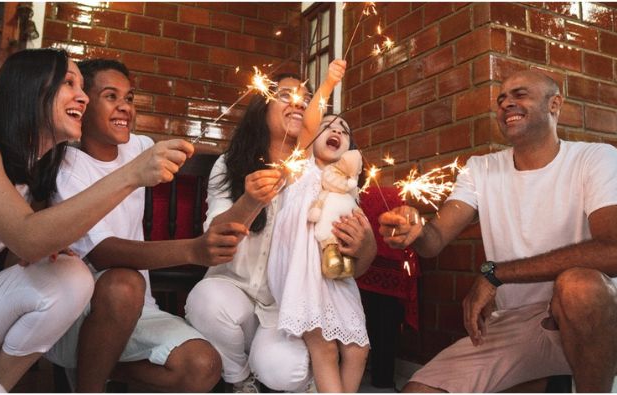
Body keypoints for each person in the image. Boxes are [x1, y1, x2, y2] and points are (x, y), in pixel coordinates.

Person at [0, 48, 193, 392]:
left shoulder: (37, 166)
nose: (82, 97)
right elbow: (27, 238)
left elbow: (20, 252)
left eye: (83, 87)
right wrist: (132, 174)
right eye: (69, 83)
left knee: (70, 275)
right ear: (31, 88)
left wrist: (46, 246)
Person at [378, 70, 617, 393]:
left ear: (554, 104)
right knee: (418, 391)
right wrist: (416, 231)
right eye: (501, 99)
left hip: (592, 320)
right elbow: (434, 240)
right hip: (516, 325)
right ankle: (546, 381)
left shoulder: (595, 158)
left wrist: (495, 274)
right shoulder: (481, 169)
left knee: (578, 286)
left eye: (520, 94)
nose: (507, 104)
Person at [44, 58, 247, 392]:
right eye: (111, 96)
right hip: (77, 312)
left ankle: (94, 365)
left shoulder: (136, 148)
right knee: (124, 283)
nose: (125, 107)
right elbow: (103, 254)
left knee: (204, 365)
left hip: (138, 310)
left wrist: (240, 158)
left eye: (130, 98)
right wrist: (193, 249)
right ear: (83, 104)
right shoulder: (67, 167)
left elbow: (183, 152)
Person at [185, 67, 377, 392]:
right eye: (285, 95)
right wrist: (249, 200)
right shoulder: (230, 165)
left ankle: (278, 372)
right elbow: (215, 238)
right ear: (262, 107)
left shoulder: (314, 175)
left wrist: (366, 243)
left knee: (286, 370)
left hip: (283, 304)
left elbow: (347, 263)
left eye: (305, 99)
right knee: (206, 301)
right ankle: (240, 380)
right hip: (234, 293)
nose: (297, 104)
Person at [267, 82, 371, 393]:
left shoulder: (350, 189)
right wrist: (328, 83)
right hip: (305, 275)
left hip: (339, 277)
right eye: (327, 125)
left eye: (344, 129)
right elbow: (309, 125)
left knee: (358, 349)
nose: (336, 129)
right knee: (324, 349)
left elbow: (359, 238)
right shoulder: (302, 169)